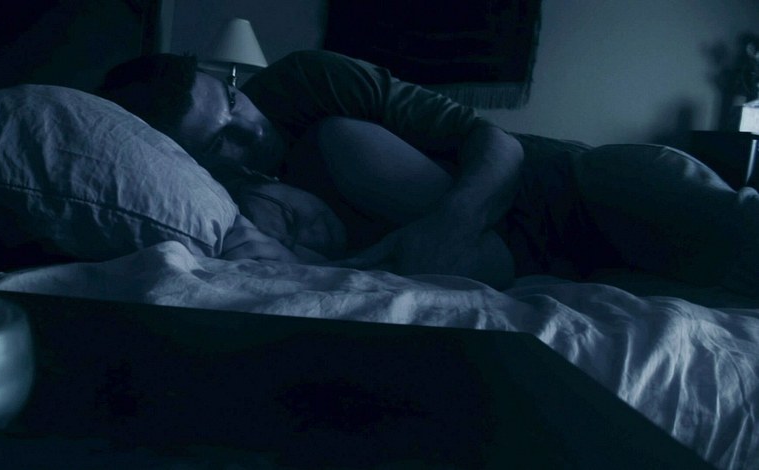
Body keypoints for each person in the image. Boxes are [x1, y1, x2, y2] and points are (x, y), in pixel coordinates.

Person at [98, 50, 759, 298]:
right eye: (222, 141)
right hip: (549, 268)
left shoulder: (306, 82)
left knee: (730, 231)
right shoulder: (217, 201)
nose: (252, 130)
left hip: (572, 186)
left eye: (233, 102)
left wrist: (448, 227)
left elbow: (494, 141)